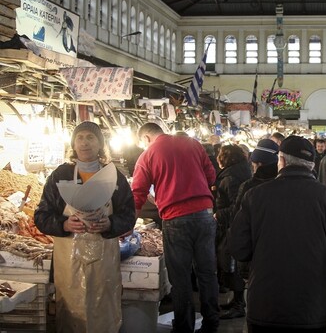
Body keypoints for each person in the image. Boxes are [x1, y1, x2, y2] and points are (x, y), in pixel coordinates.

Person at [229, 136, 326, 333]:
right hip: (310, 309)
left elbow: (239, 248)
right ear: (311, 165)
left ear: (281, 161)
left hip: (265, 305)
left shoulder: (255, 196)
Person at [34, 121, 136, 333]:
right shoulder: (59, 175)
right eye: (80, 137)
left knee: (103, 313)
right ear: (73, 144)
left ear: (100, 144)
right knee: (72, 317)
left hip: (104, 263)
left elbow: (128, 216)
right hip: (68, 263)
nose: (84, 143)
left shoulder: (114, 177)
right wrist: (64, 223)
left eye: (91, 137)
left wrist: (110, 223)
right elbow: (41, 216)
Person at [131, 123, 219, 333]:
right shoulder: (192, 143)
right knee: (207, 273)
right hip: (205, 214)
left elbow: (137, 193)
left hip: (175, 217)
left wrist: (129, 223)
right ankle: (212, 324)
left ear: (145, 138)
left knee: (180, 277)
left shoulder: (148, 154)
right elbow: (211, 175)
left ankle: (184, 327)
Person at [220, 139, 281, 318]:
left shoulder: (249, 187)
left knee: (257, 294)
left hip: (254, 249)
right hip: (277, 249)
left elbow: (238, 222)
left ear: (259, 163)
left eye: (254, 163)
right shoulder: (284, 185)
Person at [213, 144, 252, 319]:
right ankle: (238, 301)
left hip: (231, 225)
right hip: (234, 225)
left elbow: (236, 205)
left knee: (229, 263)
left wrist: (218, 214)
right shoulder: (241, 170)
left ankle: (238, 305)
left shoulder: (232, 177)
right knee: (229, 262)